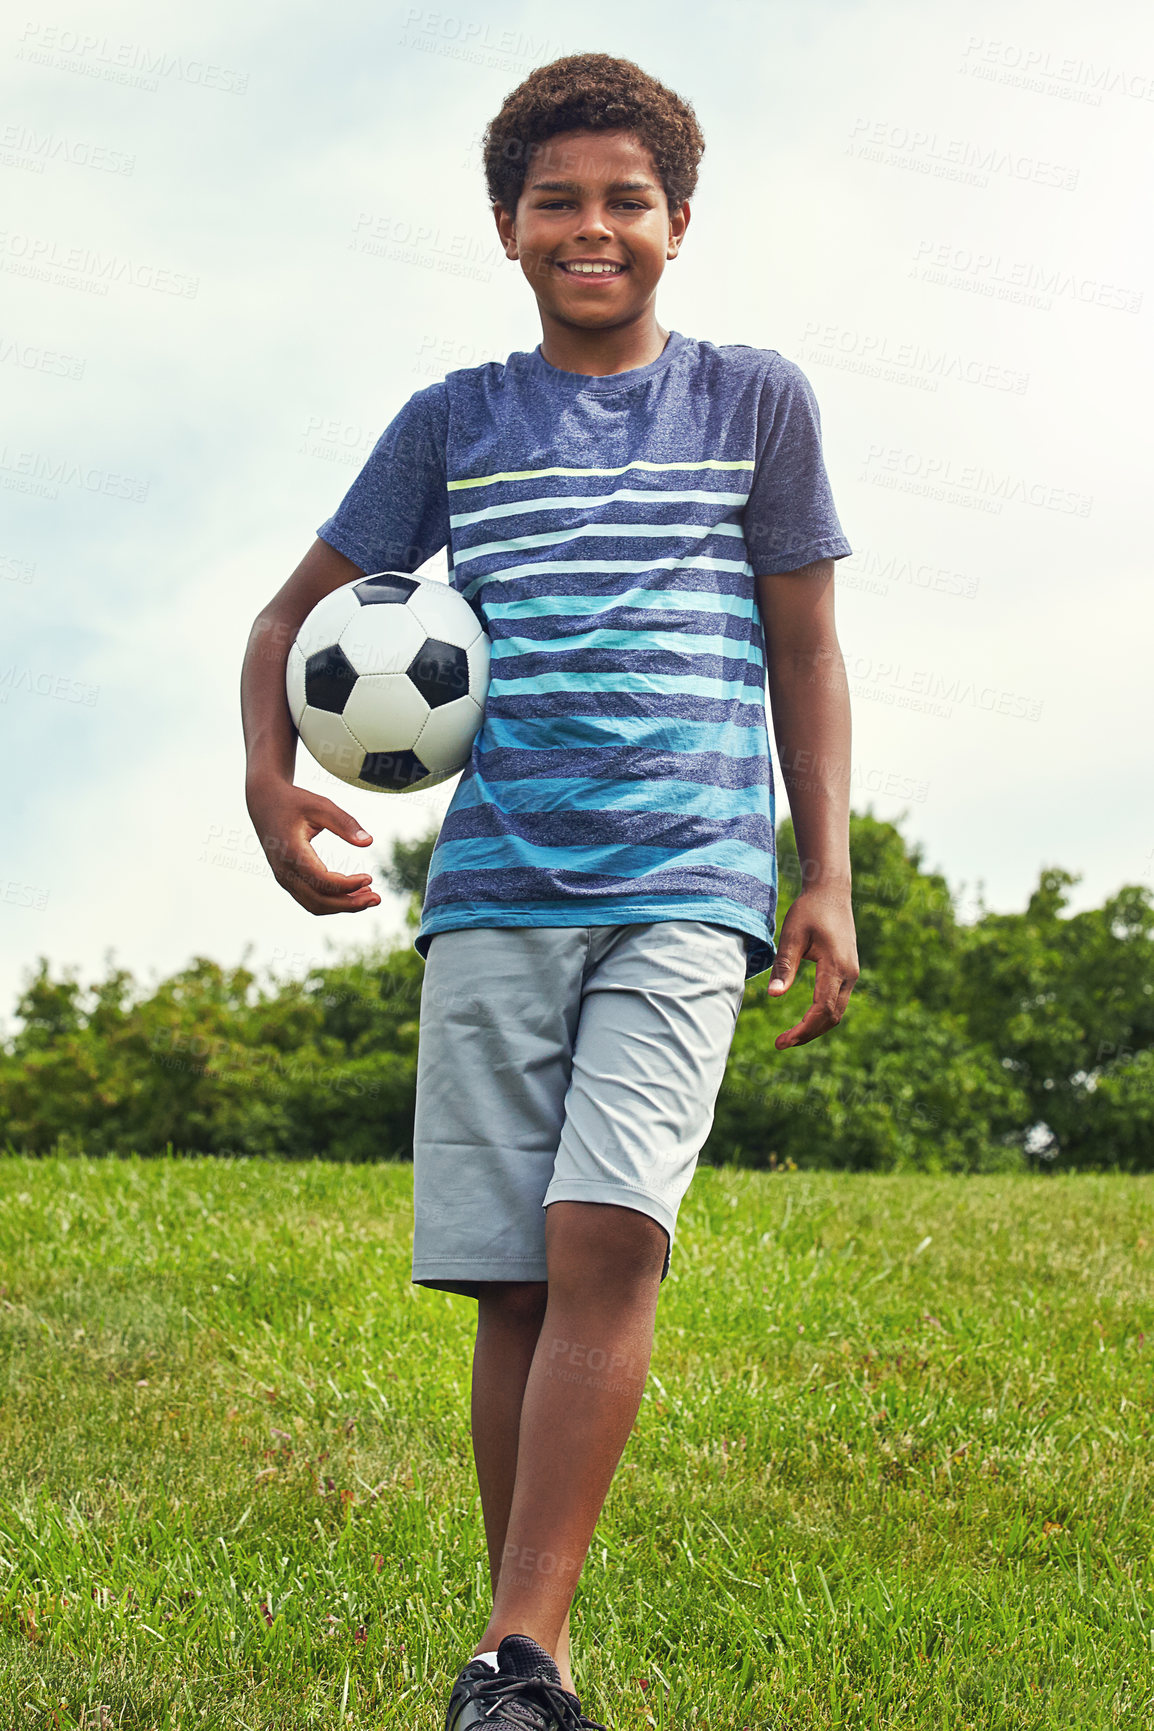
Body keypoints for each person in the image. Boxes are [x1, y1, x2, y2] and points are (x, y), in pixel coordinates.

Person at [240, 50, 860, 1731]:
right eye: (558, 202)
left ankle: (522, 1651)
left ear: (678, 224)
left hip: (689, 874)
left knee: (605, 1234)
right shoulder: (452, 423)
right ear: (507, 229)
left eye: (626, 202)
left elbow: (804, 645)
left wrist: (826, 875)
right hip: (498, 888)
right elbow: (285, 625)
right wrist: (266, 787)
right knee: (513, 1277)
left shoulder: (754, 402)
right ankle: (514, 1661)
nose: (594, 228)